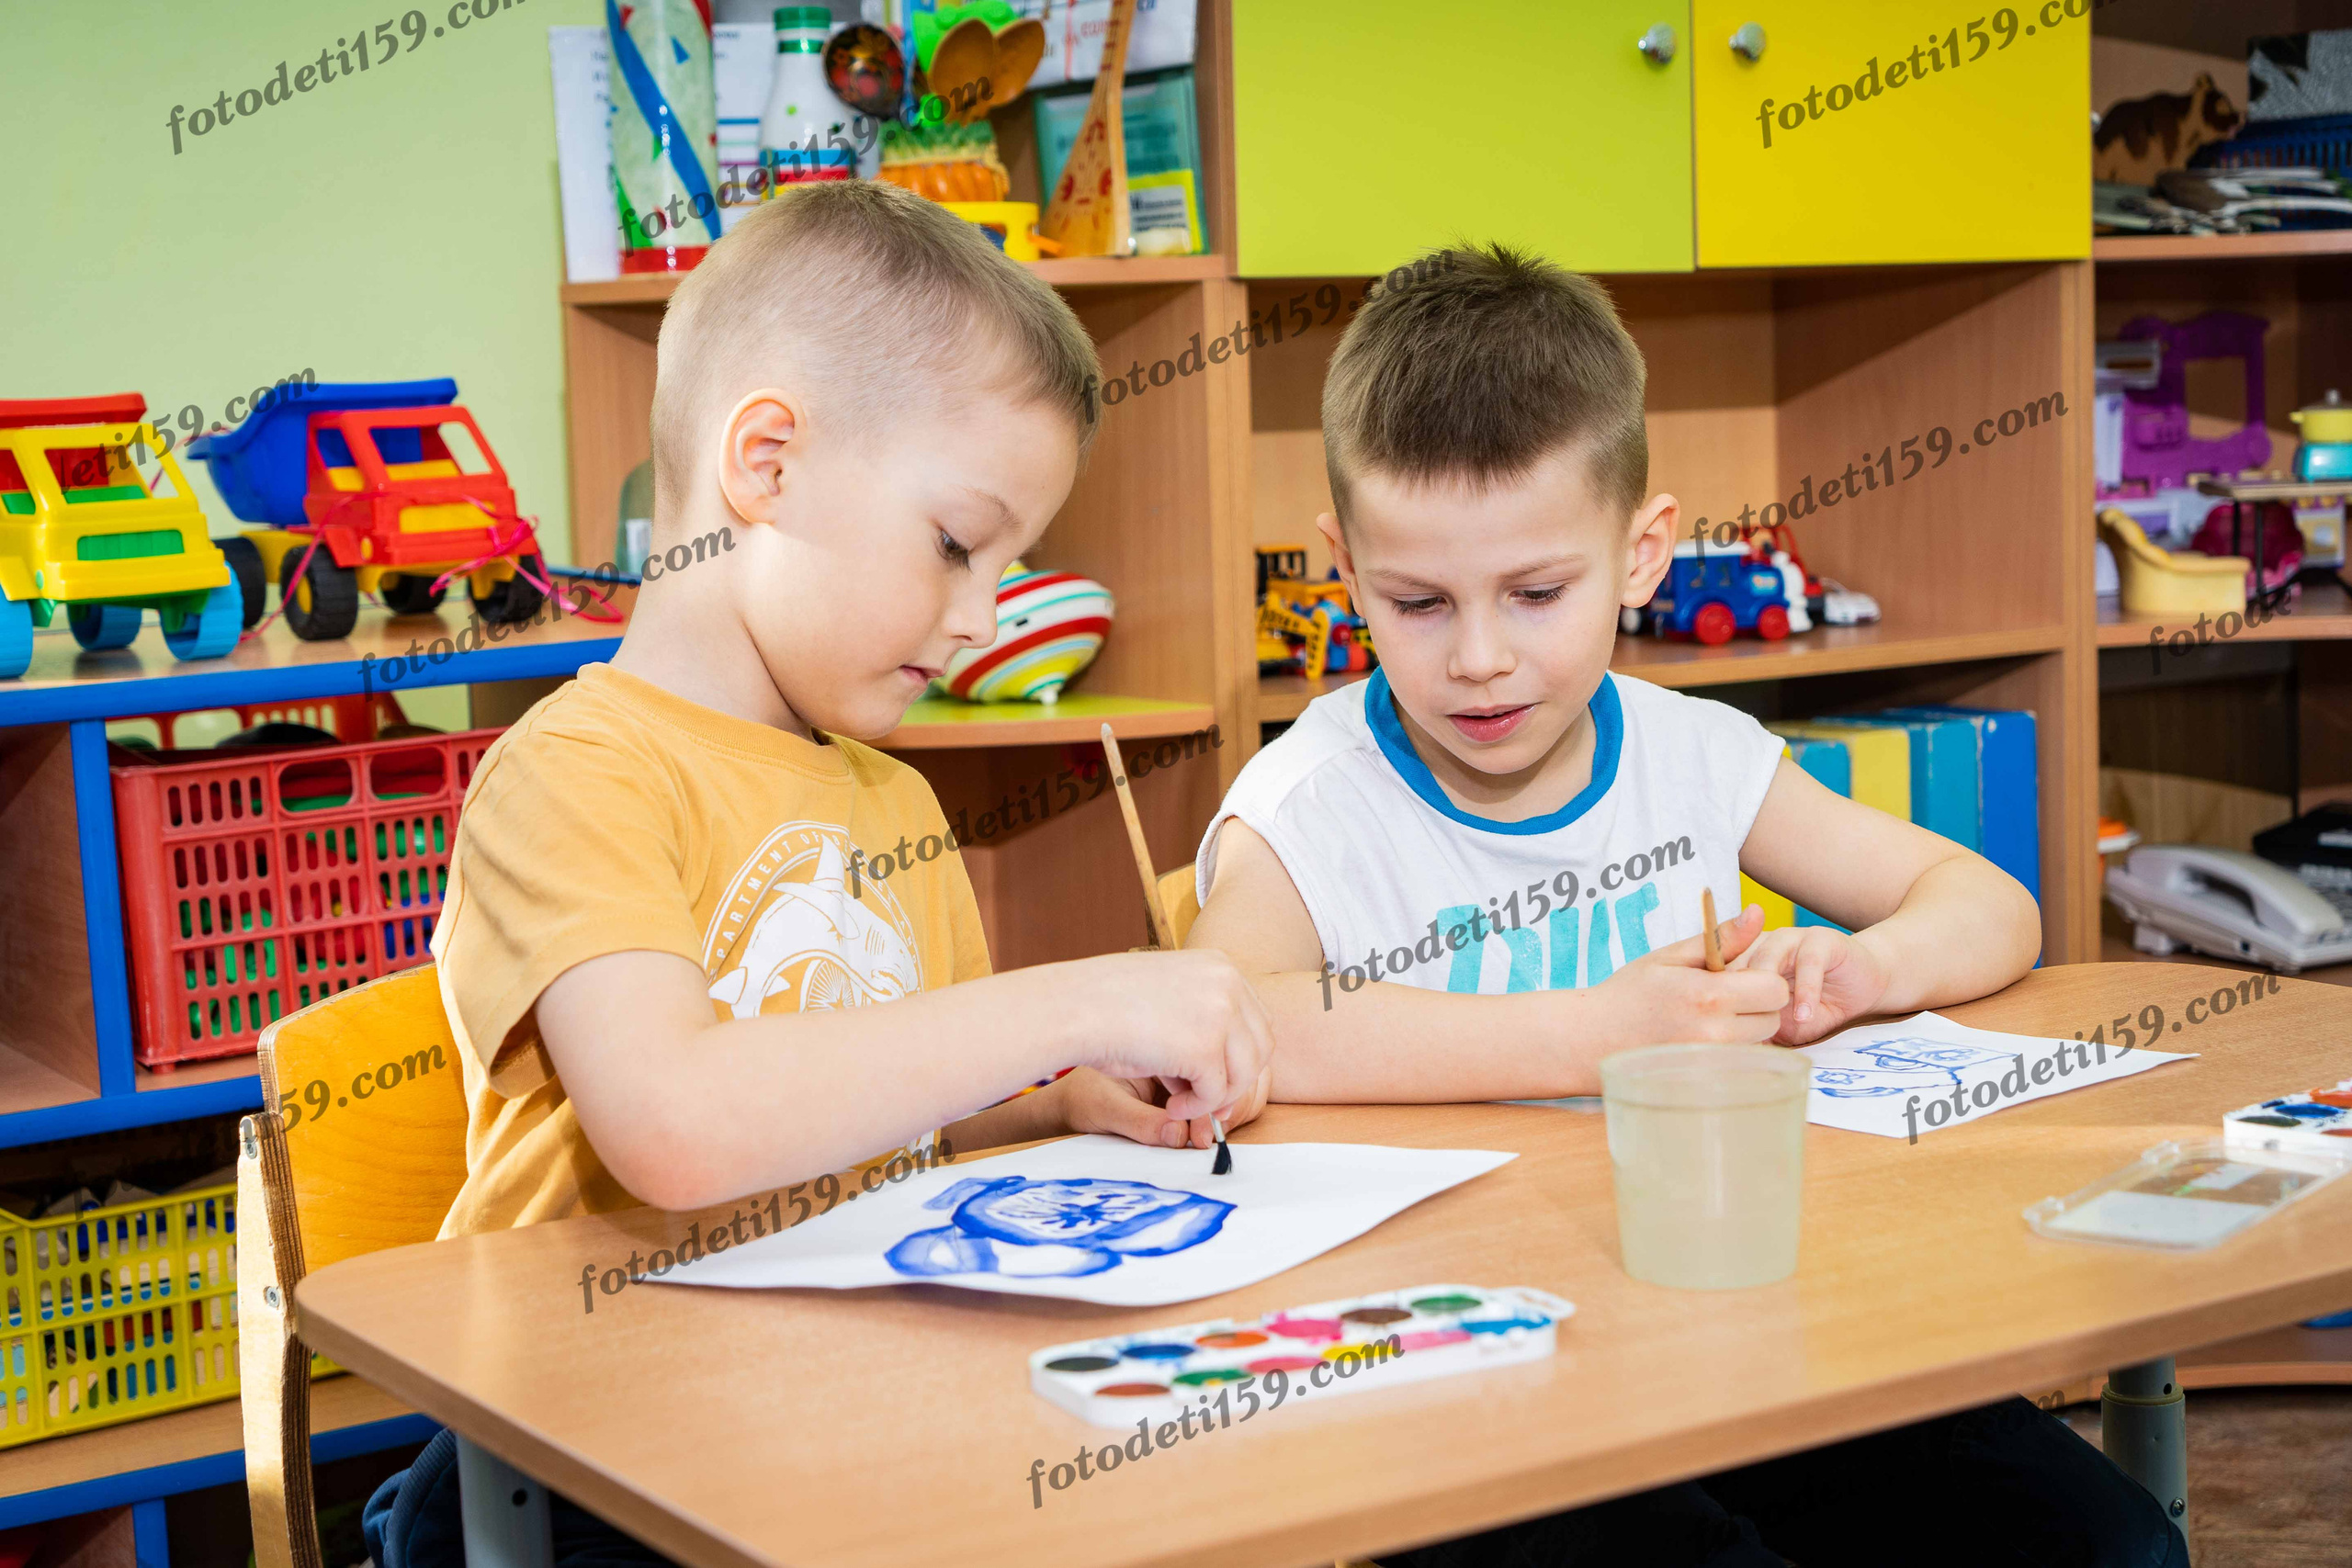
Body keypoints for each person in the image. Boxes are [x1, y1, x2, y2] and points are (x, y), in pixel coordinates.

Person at [1185, 242, 2185, 1568]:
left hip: (1734, 1322)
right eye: (1417, 602)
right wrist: (1594, 1033)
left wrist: (1866, 970)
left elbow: (1989, 901)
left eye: (1538, 594)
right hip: (1458, 1384)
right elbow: (1222, 1019)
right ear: (1345, 567)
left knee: (2103, 1547)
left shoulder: (1695, 754)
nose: (1480, 657)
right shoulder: (1307, 805)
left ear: (1645, 551)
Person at [364, 180, 1272, 1568]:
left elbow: (898, 1125)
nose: (980, 619)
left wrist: (1047, 1109)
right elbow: (677, 1131)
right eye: (959, 545)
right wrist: (1077, 1001)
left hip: (827, 1411)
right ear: (767, 464)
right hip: (576, 1472)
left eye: (1011, 566)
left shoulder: (892, 797)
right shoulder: (574, 773)